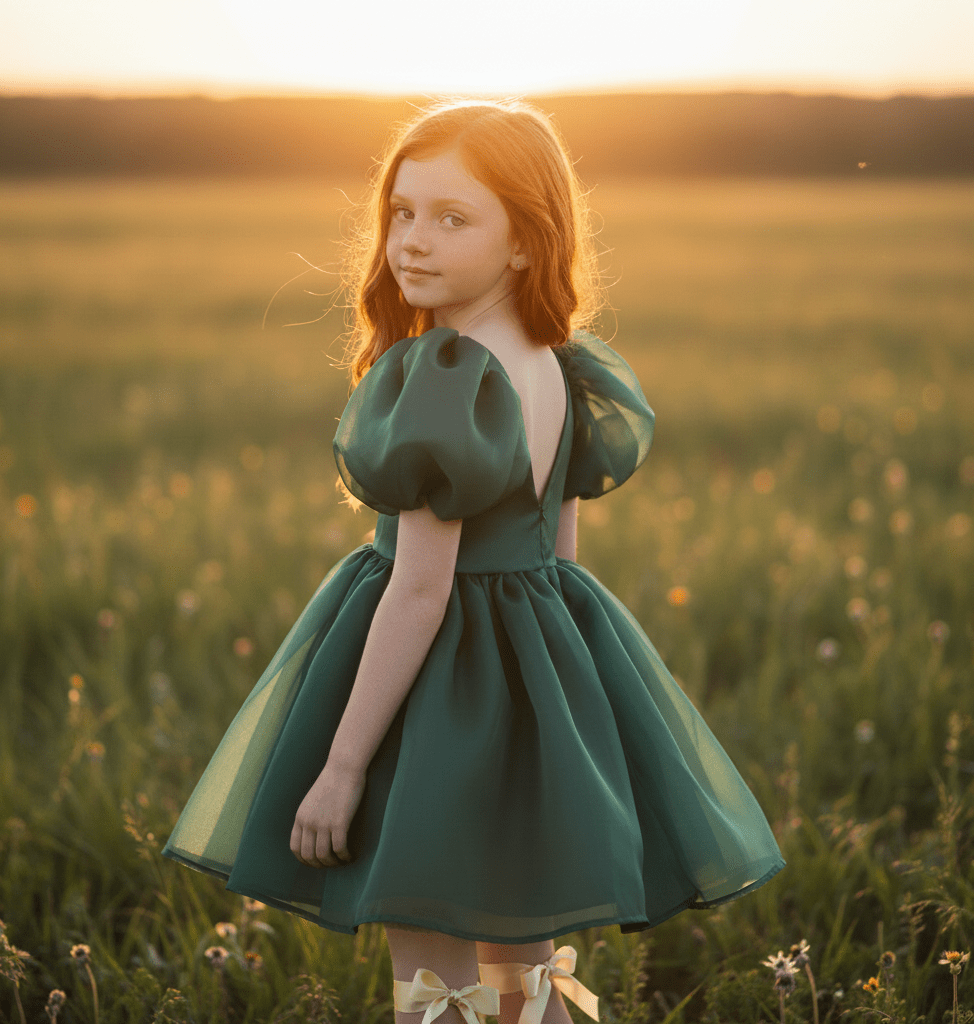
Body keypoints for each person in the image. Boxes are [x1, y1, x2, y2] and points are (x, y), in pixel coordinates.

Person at [162, 98, 785, 1024]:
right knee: (521, 977)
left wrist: (341, 768)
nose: (413, 241)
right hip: (531, 688)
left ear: (526, 242)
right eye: (403, 213)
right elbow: (560, 559)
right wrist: (552, 714)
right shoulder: (560, 365)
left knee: (433, 983)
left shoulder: (444, 377)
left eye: (454, 219)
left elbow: (418, 592)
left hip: (438, 699)